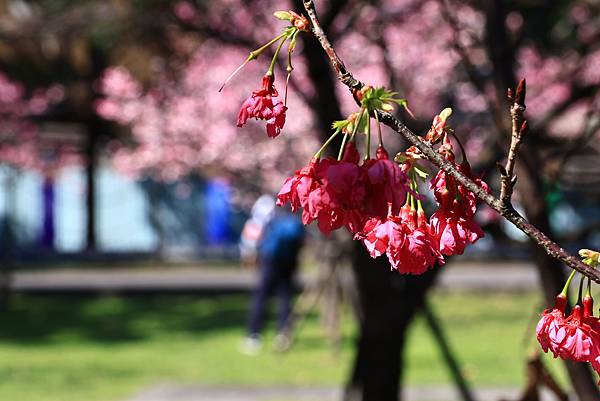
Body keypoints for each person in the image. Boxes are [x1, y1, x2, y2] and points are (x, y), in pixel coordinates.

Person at [241, 205, 305, 355]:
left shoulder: (271, 212)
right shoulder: (297, 218)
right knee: (285, 297)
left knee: (261, 297)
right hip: (289, 262)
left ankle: (254, 334)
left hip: (270, 260)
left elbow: (256, 232)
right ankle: (283, 333)